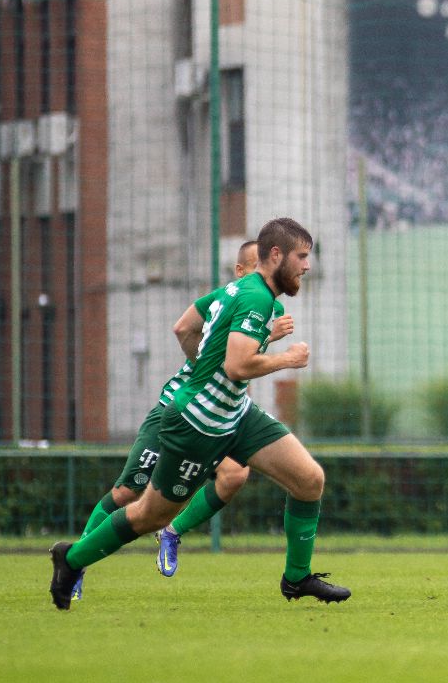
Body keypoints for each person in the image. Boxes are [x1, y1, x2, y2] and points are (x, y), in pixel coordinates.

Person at [49, 217, 350, 609]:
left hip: (236, 413)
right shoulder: (257, 298)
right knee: (149, 515)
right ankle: (71, 560)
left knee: (309, 479)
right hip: (198, 424)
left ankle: (297, 578)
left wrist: (205, 366)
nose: (307, 266)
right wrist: (287, 359)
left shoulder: (237, 290)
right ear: (276, 255)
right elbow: (237, 366)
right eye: (302, 256)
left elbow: (185, 326)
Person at [67, 241, 291, 601]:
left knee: (235, 474)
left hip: (216, 418)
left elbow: (240, 365)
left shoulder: (269, 306)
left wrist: (266, 338)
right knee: (128, 492)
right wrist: (271, 340)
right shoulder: (230, 298)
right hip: (178, 409)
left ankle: (172, 532)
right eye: (255, 266)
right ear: (240, 272)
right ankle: (76, 562)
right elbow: (201, 340)